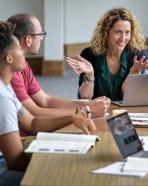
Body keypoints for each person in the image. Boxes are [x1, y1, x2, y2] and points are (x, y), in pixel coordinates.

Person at [0, 21, 96, 186]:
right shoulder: (2, 98)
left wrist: (71, 117)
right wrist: (59, 164)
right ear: (9, 58)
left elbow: (31, 122)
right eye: (19, 50)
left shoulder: (5, 88)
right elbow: (16, 161)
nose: (23, 53)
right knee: (66, 178)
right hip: (3, 169)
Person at [7, 13, 111, 119]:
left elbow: (45, 100)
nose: (42, 39)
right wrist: (86, 111)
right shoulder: (10, 72)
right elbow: (35, 113)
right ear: (29, 39)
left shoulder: (23, 65)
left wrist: (87, 103)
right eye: (41, 34)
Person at [66, 7, 148, 101]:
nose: (123, 38)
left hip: (125, 110)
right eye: (118, 32)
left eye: (127, 32)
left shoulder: (138, 56)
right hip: (97, 111)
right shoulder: (89, 54)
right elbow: (85, 98)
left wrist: (133, 74)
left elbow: (129, 97)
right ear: (106, 32)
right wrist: (90, 75)